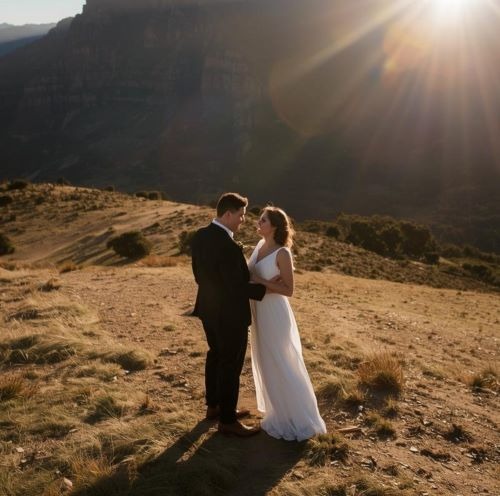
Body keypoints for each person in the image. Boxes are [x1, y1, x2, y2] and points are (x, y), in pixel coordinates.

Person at [191, 192, 266, 437]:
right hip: (230, 315)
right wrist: (267, 289)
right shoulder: (229, 247)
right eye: (241, 216)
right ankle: (227, 420)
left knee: (215, 355)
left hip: (207, 310)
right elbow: (236, 287)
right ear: (228, 214)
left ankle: (214, 406)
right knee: (230, 364)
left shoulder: (200, 237)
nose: (243, 221)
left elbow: (200, 277)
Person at [248, 206, 326, 441]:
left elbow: (289, 290)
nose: (258, 223)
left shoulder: (282, 253)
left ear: (274, 226)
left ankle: (300, 417)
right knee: (266, 360)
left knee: (283, 361)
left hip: (275, 312)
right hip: (259, 311)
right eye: (259, 219)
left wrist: (260, 280)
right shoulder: (259, 247)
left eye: (262, 220)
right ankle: (279, 413)